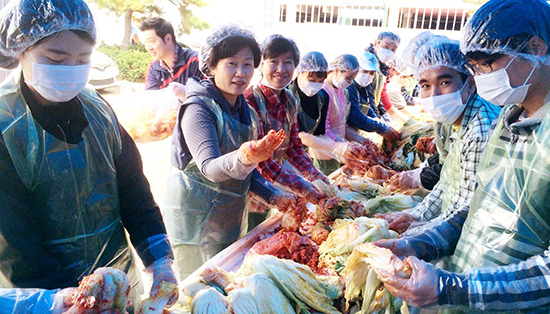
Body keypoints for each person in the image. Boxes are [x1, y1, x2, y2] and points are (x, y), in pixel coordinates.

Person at [374, 0, 550, 311]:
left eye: (487, 64)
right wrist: (417, 244)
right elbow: (477, 207)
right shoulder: (509, 119)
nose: (480, 77)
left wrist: (454, 289)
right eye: (474, 67)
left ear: (535, 47)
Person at [0, 0, 176, 309]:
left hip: (118, 285)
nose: (70, 70)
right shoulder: (7, 129)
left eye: (83, 59)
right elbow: (15, 243)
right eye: (55, 58)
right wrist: (61, 302)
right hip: (46, 295)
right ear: (22, 51)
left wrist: (158, 258)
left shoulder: (99, 113)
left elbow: (135, 192)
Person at [164, 25, 294, 280]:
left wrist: (274, 196)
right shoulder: (198, 109)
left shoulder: (243, 110)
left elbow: (246, 173)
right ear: (212, 66)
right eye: (231, 63)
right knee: (197, 293)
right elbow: (210, 168)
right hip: (195, 224)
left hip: (228, 220)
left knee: (227, 288)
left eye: (248, 64)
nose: (240, 73)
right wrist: (244, 156)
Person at [380, 35, 501, 234]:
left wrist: (416, 235)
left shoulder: (480, 129)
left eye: (444, 82)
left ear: (470, 82)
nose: (434, 95)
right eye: (425, 86)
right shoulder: (458, 121)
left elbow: (466, 208)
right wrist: (415, 216)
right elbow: (447, 182)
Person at [244, 35, 328, 202]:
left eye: (288, 62)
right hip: (254, 188)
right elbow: (260, 160)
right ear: (261, 64)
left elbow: (294, 147)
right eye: (273, 61)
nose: (281, 69)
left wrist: (316, 176)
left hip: (278, 183)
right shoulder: (250, 101)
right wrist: (301, 185)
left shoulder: (290, 100)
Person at [288, 51, 362, 176]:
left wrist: (342, 149)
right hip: (286, 158)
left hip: (303, 157)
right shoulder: (289, 96)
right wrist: (336, 147)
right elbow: (299, 134)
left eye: (320, 81)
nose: (315, 85)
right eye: (311, 80)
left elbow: (320, 133)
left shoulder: (322, 97)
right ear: (299, 72)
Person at [346, 51, 400, 142]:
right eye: (365, 71)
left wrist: (382, 123)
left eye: (372, 73)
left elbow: (369, 108)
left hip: (356, 133)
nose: (368, 75)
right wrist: (381, 128)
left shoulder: (365, 88)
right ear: (356, 69)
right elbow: (357, 117)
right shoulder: (349, 87)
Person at [139, 17, 203, 90]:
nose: (148, 48)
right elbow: (152, 97)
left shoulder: (195, 61)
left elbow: (207, 96)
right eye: (145, 43)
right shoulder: (153, 68)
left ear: (168, 38)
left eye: (151, 41)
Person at [366, 31, 409, 124]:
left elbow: (380, 95)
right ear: (375, 44)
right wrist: (378, 120)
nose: (389, 51)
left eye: (393, 49)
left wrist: (384, 115)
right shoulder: (366, 64)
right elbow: (367, 97)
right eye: (386, 47)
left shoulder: (382, 67)